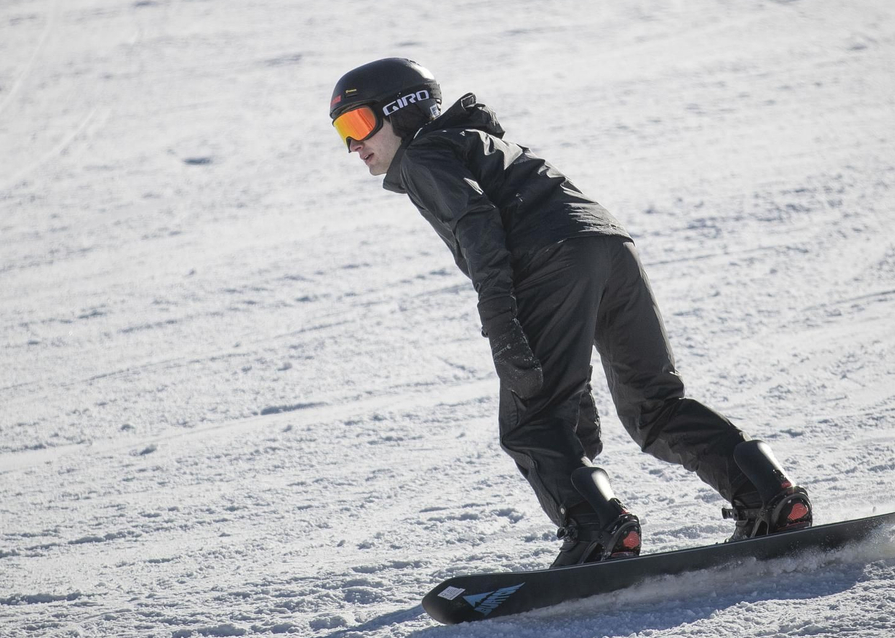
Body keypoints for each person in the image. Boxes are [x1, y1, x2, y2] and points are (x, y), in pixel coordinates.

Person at [328, 57, 814, 567]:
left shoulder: (424, 155)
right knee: (655, 406)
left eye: (358, 122)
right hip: (609, 246)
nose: (354, 145)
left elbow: (478, 230)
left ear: (403, 110)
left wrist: (504, 331)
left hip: (550, 258)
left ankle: (598, 531)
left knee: (531, 420)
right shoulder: (481, 142)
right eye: (343, 132)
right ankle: (770, 494)